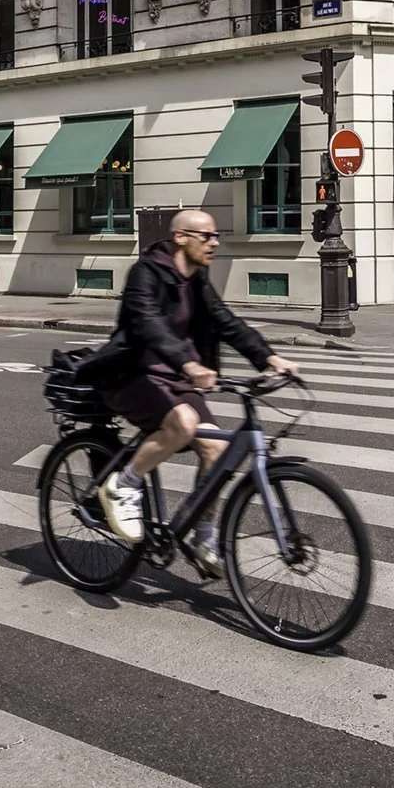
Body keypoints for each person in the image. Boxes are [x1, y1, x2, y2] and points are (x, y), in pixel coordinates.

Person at [95, 208, 294, 577]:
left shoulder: (197, 278)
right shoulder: (146, 272)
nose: (215, 243)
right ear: (182, 237)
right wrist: (188, 364)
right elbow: (147, 324)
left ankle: (204, 539)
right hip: (132, 374)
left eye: (216, 236)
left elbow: (225, 321)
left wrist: (268, 357)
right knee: (184, 424)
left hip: (173, 379)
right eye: (207, 236)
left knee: (217, 452)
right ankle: (122, 486)